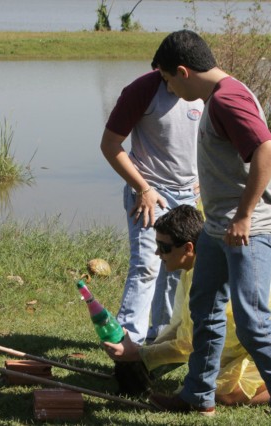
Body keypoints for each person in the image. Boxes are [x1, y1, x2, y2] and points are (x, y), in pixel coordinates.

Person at [149, 29, 271, 424]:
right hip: (219, 227)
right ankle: (198, 394)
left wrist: (244, 216)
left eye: (167, 79)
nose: (168, 87)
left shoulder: (227, 98)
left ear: (183, 71)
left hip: (249, 229)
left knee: (252, 321)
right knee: (204, 306)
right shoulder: (218, 96)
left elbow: (268, 149)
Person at [103, 206, 271, 415]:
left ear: (188, 248)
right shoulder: (194, 268)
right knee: (219, 365)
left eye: (165, 248)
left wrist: (141, 354)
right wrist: (142, 355)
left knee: (227, 393)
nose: (158, 253)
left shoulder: (202, 273)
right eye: (157, 245)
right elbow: (183, 327)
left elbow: (191, 345)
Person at [100, 60, 204, 346]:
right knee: (147, 265)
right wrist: (142, 188)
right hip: (149, 191)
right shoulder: (141, 90)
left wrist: (202, 179)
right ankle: (127, 341)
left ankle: (160, 339)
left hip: (188, 193)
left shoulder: (201, 90)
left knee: (175, 267)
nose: (168, 83)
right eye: (163, 75)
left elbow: (210, 139)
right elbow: (109, 145)